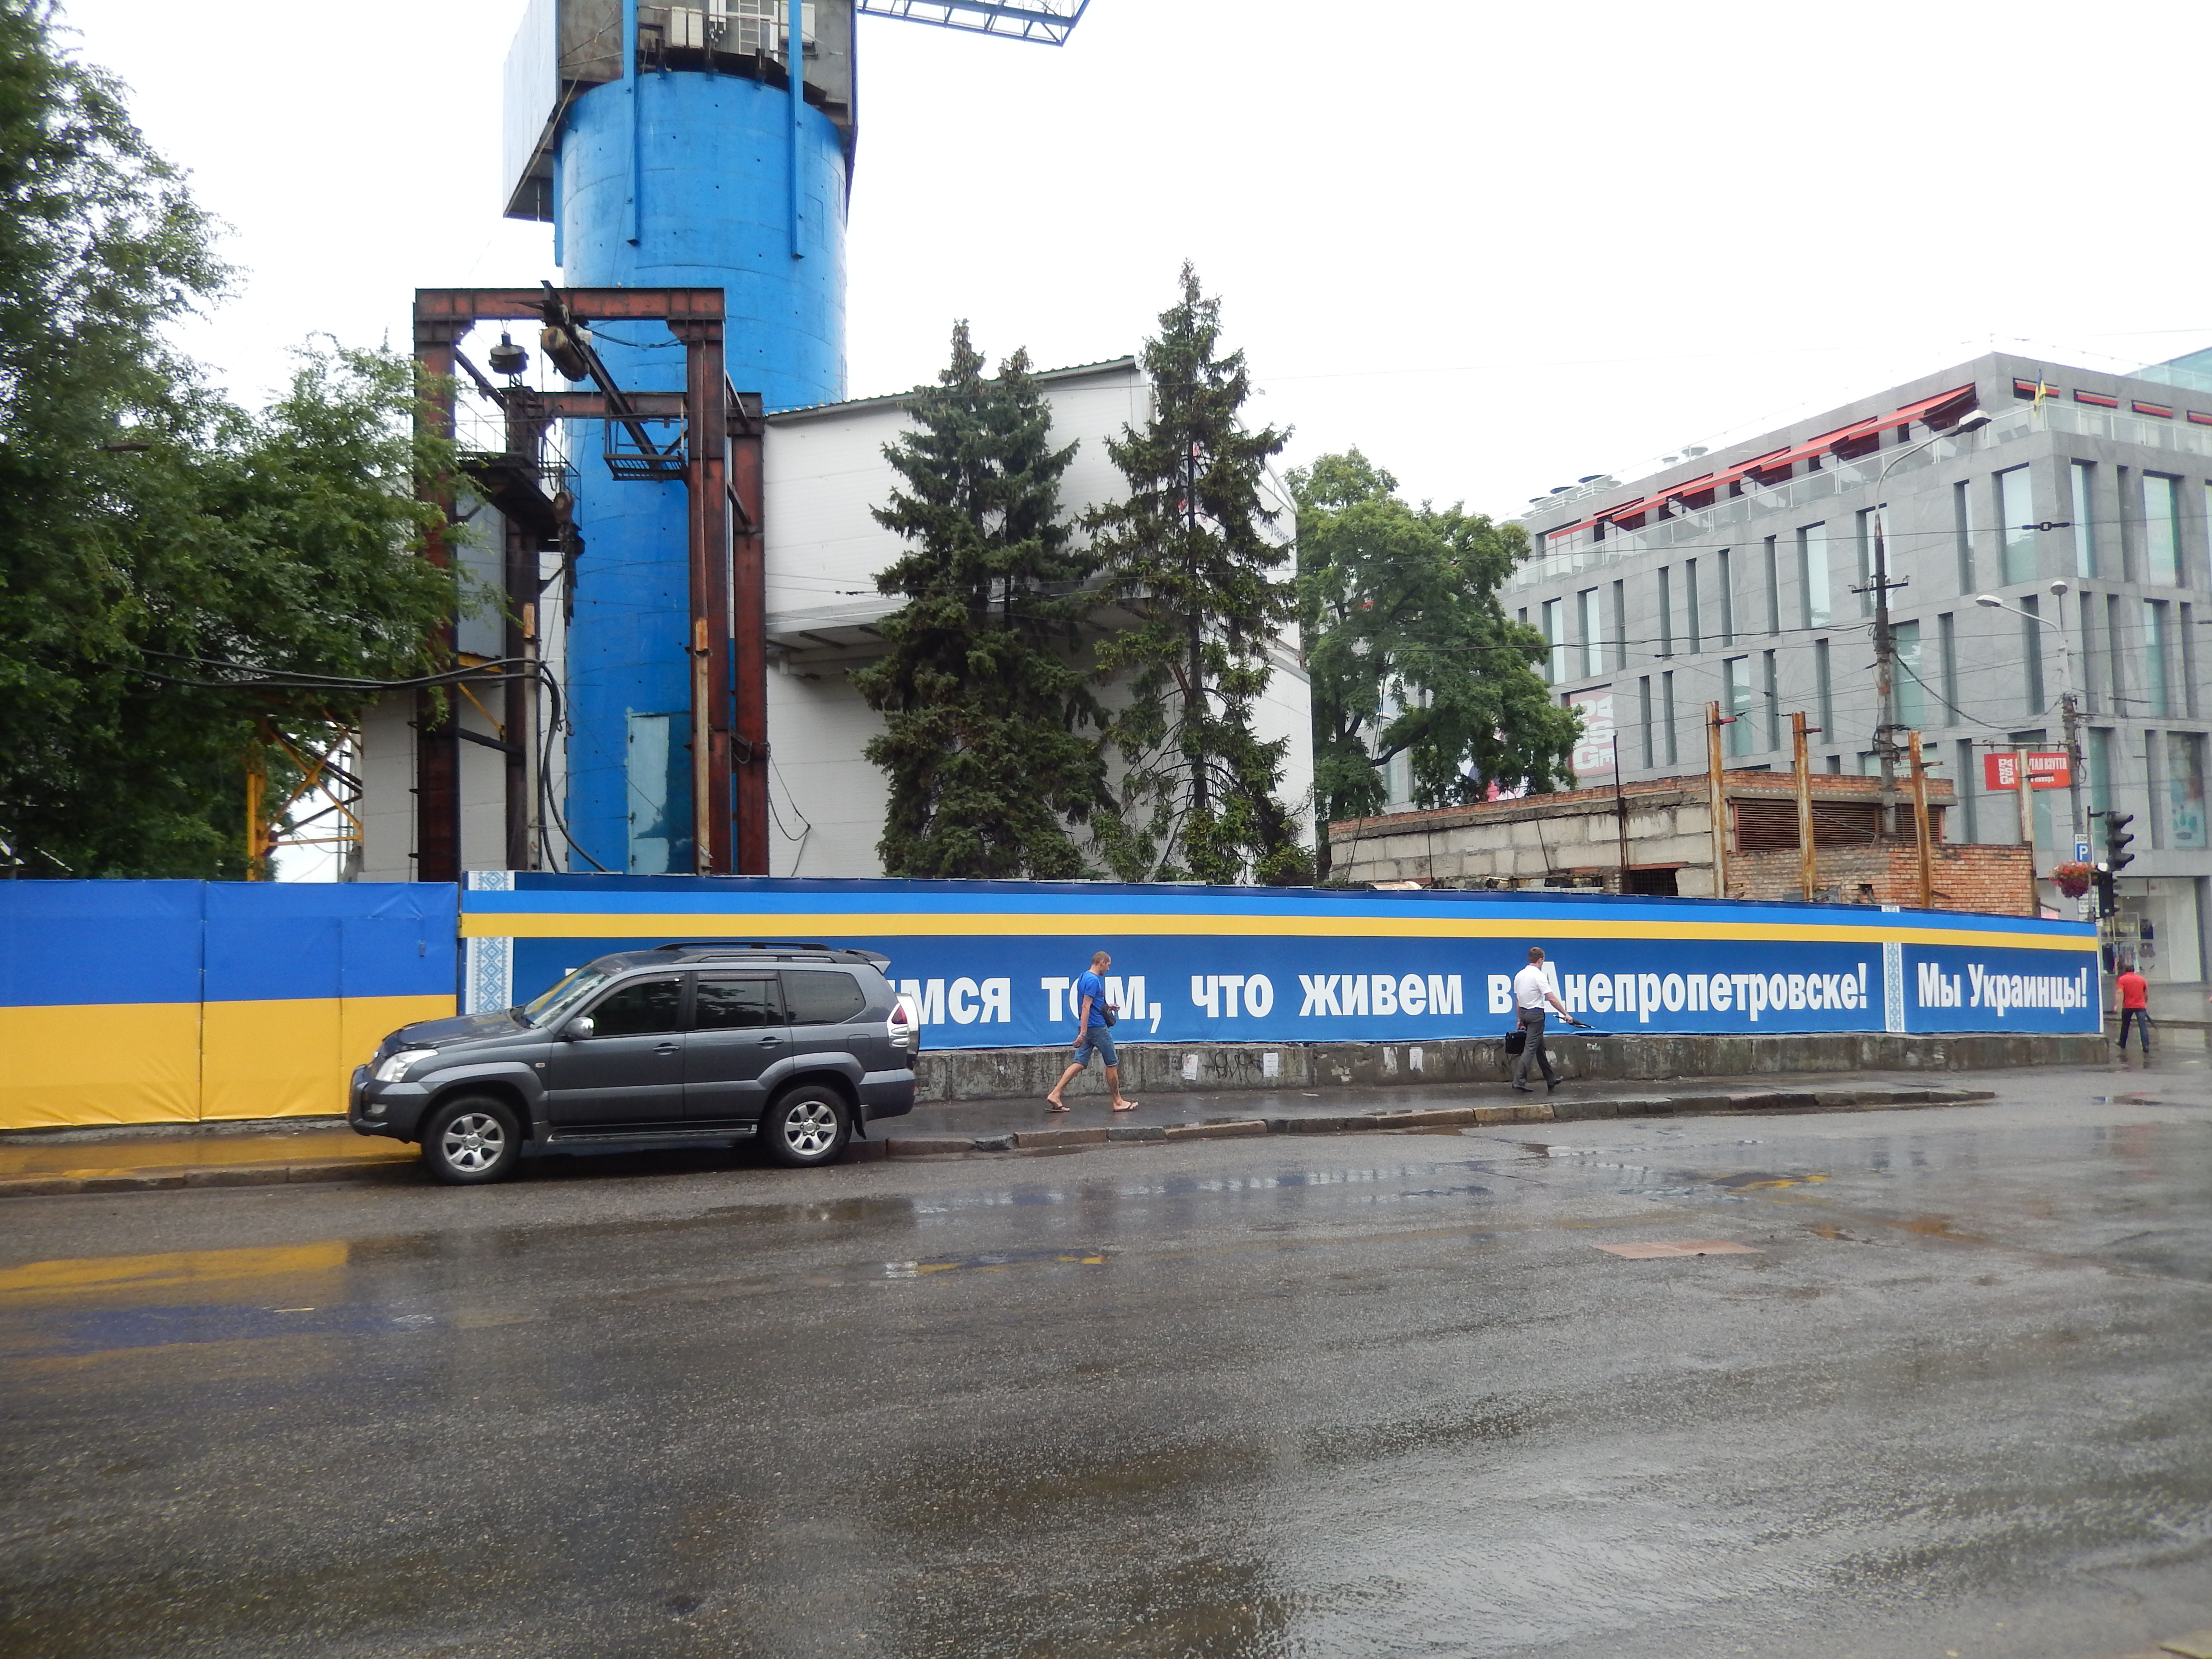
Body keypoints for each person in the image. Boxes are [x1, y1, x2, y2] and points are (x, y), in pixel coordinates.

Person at [1045, 950, 1139, 1113]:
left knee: (1079, 1062)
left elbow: (1092, 1004)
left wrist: (1108, 1007)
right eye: (1108, 965)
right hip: (1097, 1028)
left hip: (1089, 1028)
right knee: (1112, 1063)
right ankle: (1118, 1102)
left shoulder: (1084, 977)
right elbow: (1085, 1007)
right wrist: (1082, 1033)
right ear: (1102, 962)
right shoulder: (1093, 980)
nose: (1109, 969)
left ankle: (1055, 1094)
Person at [1512, 946, 1578, 1093]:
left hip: (1524, 1013)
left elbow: (1517, 1000)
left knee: (1539, 1048)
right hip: (1536, 1015)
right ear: (1540, 960)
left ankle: (1550, 1079)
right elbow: (1551, 998)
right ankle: (1519, 1081)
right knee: (1530, 1049)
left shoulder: (1519, 975)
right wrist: (1566, 1014)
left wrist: (1519, 1019)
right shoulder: (1539, 976)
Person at [2116, 960, 2152, 1056]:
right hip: (2140, 1006)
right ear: (2134, 970)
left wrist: (2116, 1005)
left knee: (2125, 1025)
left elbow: (2119, 992)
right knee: (2143, 1026)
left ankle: (2122, 1043)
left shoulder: (2122, 979)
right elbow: (2146, 993)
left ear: (2126, 970)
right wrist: (2145, 1002)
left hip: (2128, 1006)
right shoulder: (2141, 979)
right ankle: (2146, 1046)